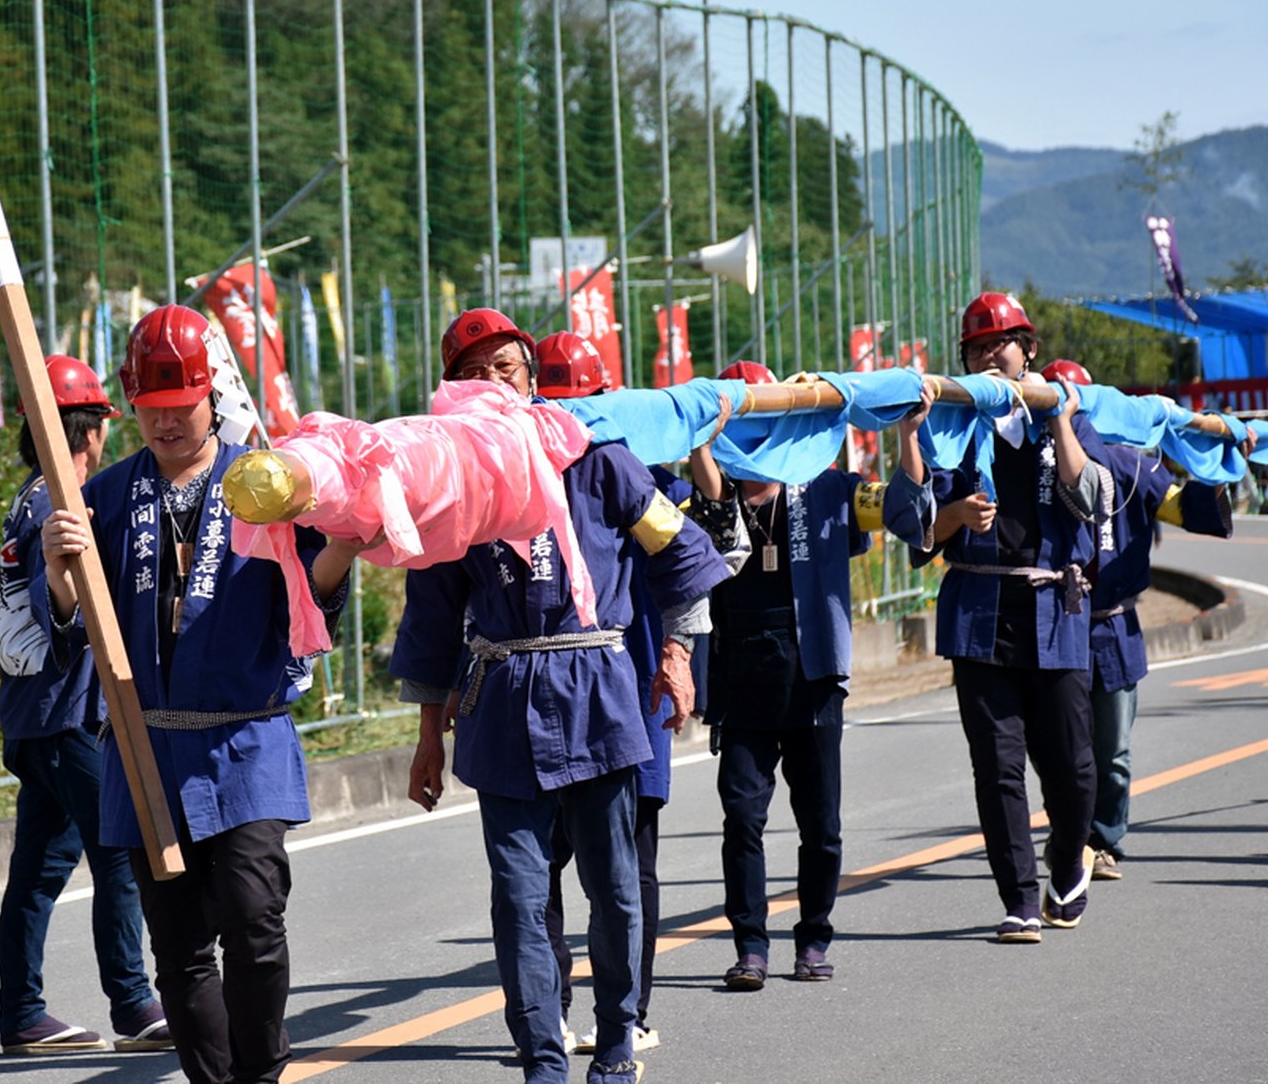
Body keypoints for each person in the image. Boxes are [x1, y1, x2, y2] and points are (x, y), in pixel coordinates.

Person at [392, 309, 728, 1084]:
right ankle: (541, 1058)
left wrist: (676, 654)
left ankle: (616, 1043)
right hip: (501, 703)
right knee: (517, 897)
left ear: (531, 378)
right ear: (451, 391)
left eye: (504, 369)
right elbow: (432, 620)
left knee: (613, 888)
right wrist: (427, 736)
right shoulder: (447, 484)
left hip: (597, 693)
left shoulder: (600, 459)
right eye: (472, 374)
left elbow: (680, 554)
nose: (490, 384)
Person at [37, 306, 361, 1084]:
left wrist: (346, 544)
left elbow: (311, 599)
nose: (165, 423)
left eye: (180, 406)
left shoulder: (266, 480)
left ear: (210, 395)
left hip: (246, 741)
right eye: (150, 409)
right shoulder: (106, 496)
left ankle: (262, 1074)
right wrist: (58, 571)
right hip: (146, 746)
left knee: (255, 921)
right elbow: (72, 626)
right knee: (179, 947)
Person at [688, 360, 928, 990]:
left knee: (821, 825)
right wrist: (699, 437)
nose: (757, 439)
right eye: (744, 425)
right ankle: (750, 946)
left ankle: (814, 937)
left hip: (812, 674)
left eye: (767, 423)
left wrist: (909, 434)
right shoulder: (709, 495)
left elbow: (905, 513)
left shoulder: (828, 489)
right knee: (742, 819)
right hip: (740, 680)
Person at [884, 291, 1112, 943]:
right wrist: (953, 510)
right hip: (979, 615)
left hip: (1054, 610)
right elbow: (914, 526)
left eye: (1000, 344)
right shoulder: (953, 423)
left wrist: (1060, 417)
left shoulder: (1059, 409)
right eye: (977, 348)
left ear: (1027, 350)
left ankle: (1067, 860)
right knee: (997, 766)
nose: (989, 355)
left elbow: (1093, 499)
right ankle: (1018, 899)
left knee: (1073, 767)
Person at [0, 354, 169, 1055]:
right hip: (70, 715)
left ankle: (22, 1014)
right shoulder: (57, 506)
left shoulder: (26, 499)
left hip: (32, 715)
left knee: (37, 874)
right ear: (91, 431)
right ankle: (134, 1004)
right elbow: (57, 606)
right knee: (121, 852)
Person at [532, 331, 675, 1056]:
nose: (570, 417)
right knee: (540, 865)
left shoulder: (635, 469)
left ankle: (630, 1013)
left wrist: (678, 656)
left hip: (630, 685)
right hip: (542, 692)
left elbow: (704, 551)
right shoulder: (514, 472)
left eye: (583, 402)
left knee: (628, 862)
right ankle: (550, 1009)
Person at [1039, 359, 1232, 882]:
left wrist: (1216, 463)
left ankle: (1102, 841)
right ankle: (1068, 836)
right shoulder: (1029, 468)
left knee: (1113, 751)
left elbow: (1187, 509)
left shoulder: (1135, 467)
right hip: (1053, 622)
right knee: (1059, 749)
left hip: (1113, 626)